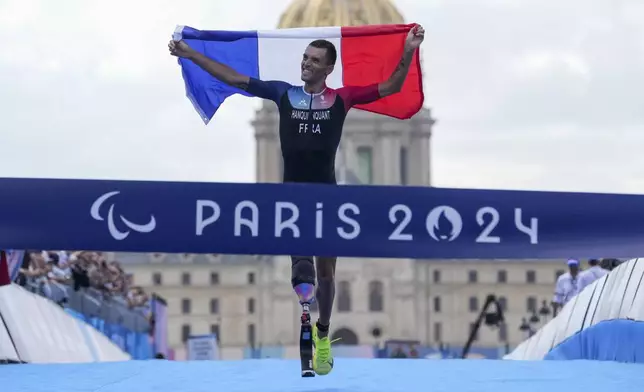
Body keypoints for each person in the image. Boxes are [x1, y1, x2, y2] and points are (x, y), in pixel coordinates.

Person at [169, 24, 425, 376]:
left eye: (314, 60)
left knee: (327, 272)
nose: (305, 64)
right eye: (305, 58)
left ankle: (322, 331)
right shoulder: (283, 94)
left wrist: (409, 49)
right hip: (291, 201)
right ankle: (306, 309)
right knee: (303, 270)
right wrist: (193, 54)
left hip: (328, 197)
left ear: (328, 68)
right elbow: (234, 78)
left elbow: (392, 86)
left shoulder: (343, 99)